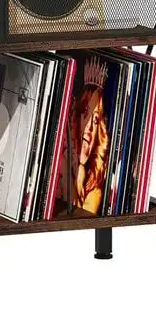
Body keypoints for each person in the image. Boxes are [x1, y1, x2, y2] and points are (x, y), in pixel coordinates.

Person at [69, 59, 110, 214]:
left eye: (96, 120)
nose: (90, 128)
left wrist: (80, 176)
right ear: (77, 116)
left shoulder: (95, 183)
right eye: (86, 113)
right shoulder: (61, 155)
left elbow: (82, 216)